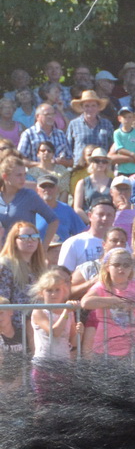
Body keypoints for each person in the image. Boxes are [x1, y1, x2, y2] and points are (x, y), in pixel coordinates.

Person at [80, 247, 135, 358]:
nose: (121, 268)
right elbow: (85, 302)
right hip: (105, 350)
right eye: (116, 265)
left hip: (133, 348)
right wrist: (117, 301)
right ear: (107, 267)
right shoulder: (102, 286)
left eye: (126, 265)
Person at [0, 220, 49, 348]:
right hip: (14, 331)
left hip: (38, 328)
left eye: (34, 237)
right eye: (24, 237)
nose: (30, 240)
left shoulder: (41, 267)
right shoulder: (5, 265)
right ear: (14, 241)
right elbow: (2, 299)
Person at [27, 266, 76, 380]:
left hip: (63, 363)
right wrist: (66, 312)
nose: (53, 294)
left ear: (64, 291)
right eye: (49, 290)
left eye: (57, 290)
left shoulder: (68, 311)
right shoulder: (38, 311)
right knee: (43, 398)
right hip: (44, 365)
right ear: (41, 293)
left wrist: (80, 331)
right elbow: (55, 332)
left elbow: (73, 340)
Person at [0, 156, 56, 245]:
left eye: (24, 174)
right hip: (3, 254)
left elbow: (54, 220)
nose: (23, 179)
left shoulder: (30, 196)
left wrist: (44, 247)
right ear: (5, 176)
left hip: (26, 253)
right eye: (19, 175)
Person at [65, 89, 114, 157]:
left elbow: (112, 147)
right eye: (87, 106)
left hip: (101, 164)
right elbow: (68, 148)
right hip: (80, 166)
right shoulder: (74, 124)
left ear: (98, 107)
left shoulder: (107, 124)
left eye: (93, 105)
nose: (90, 109)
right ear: (82, 107)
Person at [108, 109, 135, 175]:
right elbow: (119, 149)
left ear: (133, 119)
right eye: (124, 117)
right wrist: (133, 155)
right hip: (122, 169)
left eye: (129, 117)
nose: (127, 120)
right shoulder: (117, 133)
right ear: (119, 119)